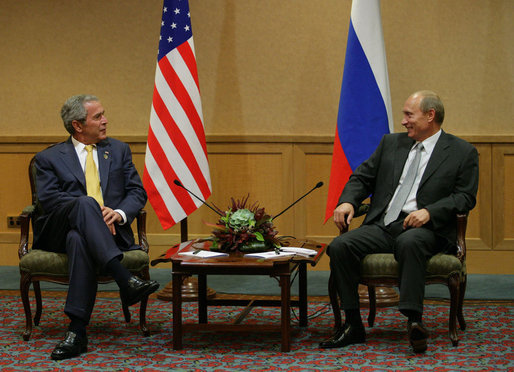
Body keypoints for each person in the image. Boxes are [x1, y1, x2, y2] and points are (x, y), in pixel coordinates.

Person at [320, 90, 479, 353]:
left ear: (430, 116)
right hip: (385, 224)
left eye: (409, 115)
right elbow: (362, 178)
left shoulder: (462, 152)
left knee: (410, 241)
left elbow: (465, 197)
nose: (403, 121)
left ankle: (414, 321)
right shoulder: (391, 144)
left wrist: (430, 211)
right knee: (340, 246)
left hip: (428, 229)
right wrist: (347, 201)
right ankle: (352, 325)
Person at [33, 94, 159, 360]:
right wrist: (91, 209)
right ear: (78, 125)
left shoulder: (119, 150)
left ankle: (76, 331)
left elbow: (137, 192)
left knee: (79, 239)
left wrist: (119, 213)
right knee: (84, 203)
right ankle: (124, 278)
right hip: (56, 230)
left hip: (102, 233)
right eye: (98, 116)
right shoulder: (48, 158)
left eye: (103, 115)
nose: (105, 121)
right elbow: (49, 200)